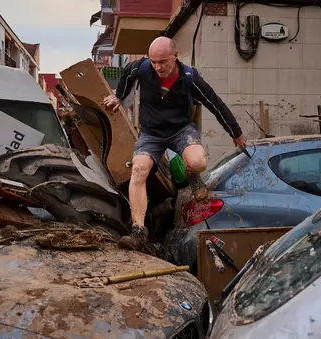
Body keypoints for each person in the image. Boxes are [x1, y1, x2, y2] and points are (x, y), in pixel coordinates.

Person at [103, 36, 248, 252]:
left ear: (175, 56)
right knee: (138, 170)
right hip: (151, 133)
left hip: (181, 130)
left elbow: (215, 103)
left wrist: (235, 132)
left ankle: (191, 175)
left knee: (198, 162)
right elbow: (126, 74)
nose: (157, 67)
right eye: (153, 61)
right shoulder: (142, 68)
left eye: (162, 62)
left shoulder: (190, 78)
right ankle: (138, 231)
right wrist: (119, 97)